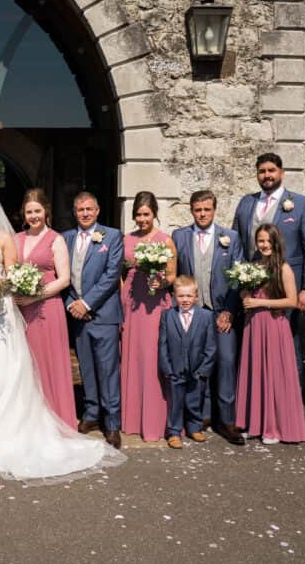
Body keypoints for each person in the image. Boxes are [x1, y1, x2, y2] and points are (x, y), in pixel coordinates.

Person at [0, 190, 125, 481]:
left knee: (1, 368)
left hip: (1, 307)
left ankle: (102, 420)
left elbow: (11, 274)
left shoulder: (12, 238)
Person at [232, 153, 305, 387]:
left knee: (291, 341)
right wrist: (240, 284)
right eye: (262, 171)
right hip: (255, 289)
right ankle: (262, 396)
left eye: (272, 170)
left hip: (288, 287)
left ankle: (292, 396)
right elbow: (237, 245)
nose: (267, 175)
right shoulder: (246, 203)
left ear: (281, 173)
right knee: (257, 342)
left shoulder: (300, 204)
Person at [173, 190, 246, 445]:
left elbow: (238, 277)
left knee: (226, 362)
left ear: (214, 210)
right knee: (196, 364)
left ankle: (226, 420)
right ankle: (200, 417)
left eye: (207, 209)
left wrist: (229, 310)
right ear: (191, 210)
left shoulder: (231, 237)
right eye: (197, 210)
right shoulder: (180, 236)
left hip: (221, 311)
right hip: (193, 313)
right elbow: (176, 275)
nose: (202, 214)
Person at [234, 224, 305, 445]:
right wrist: (244, 292)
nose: (264, 245)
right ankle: (254, 423)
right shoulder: (253, 265)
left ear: (276, 243)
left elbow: (292, 301)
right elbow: (246, 292)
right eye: (260, 241)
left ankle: (273, 427)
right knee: (255, 372)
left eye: (267, 241)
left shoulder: (284, 268)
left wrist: (259, 302)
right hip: (254, 325)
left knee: (273, 373)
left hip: (274, 325)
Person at [63, 192, 124, 449]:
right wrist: (71, 304)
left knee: (108, 370)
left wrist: (87, 303)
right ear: (75, 212)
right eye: (80, 210)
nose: (85, 213)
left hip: (104, 315)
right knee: (86, 368)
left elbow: (112, 276)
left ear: (97, 211)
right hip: (77, 315)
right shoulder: (65, 238)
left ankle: (111, 422)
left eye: (89, 209)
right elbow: (59, 273)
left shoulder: (112, 236)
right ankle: (90, 414)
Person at [13, 188, 76, 429]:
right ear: (24, 214)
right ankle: (29, 422)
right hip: (21, 311)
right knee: (26, 364)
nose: (33, 216)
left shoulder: (56, 239)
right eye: (29, 212)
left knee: (49, 363)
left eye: (37, 211)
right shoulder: (17, 239)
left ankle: (56, 419)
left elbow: (64, 279)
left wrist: (35, 297)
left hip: (48, 309)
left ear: (45, 211)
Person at [120, 191, 175, 442]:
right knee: (133, 356)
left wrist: (160, 281)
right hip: (132, 302)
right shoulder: (126, 238)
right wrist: (122, 291)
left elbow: (173, 275)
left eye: (147, 214)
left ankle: (156, 419)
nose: (142, 219)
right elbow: (119, 270)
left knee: (153, 356)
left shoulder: (166, 240)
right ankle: (132, 419)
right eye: (139, 214)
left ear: (155, 214)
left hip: (155, 302)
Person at [159, 276, 216, 449]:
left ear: (196, 296)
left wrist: (204, 369)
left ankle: (194, 427)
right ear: (174, 296)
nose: (185, 300)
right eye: (181, 296)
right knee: (176, 402)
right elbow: (162, 345)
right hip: (175, 369)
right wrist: (167, 368)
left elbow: (211, 346)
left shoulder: (206, 316)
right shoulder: (167, 315)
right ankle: (174, 432)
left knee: (194, 400)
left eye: (189, 296)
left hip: (197, 369)